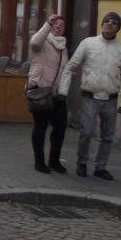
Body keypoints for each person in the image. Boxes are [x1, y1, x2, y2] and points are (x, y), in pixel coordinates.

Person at [58, 11, 121, 180]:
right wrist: (63, 90)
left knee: (108, 136)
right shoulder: (88, 43)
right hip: (90, 96)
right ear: (102, 24)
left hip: (111, 99)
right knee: (87, 131)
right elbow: (71, 66)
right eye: (107, 21)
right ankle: (82, 162)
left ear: (118, 28)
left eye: (114, 22)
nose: (110, 24)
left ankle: (100, 167)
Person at [28, 14, 69, 173]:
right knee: (41, 126)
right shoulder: (43, 42)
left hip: (57, 93)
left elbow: (62, 67)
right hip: (40, 90)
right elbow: (34, 42)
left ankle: (54, 161)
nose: (58, 27)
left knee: (60, 127)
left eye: (61, 25)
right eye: (55, 24)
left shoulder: (63, 46)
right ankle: (39, 161)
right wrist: (47, 24)